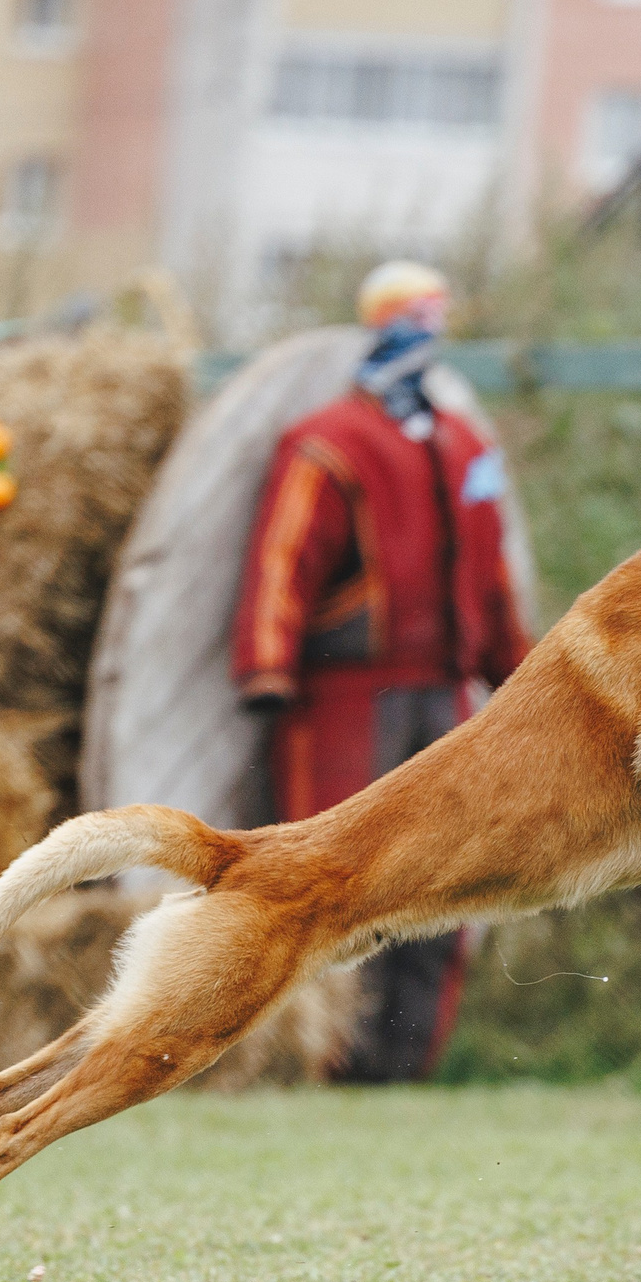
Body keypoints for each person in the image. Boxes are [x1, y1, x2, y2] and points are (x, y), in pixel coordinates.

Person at [232, 261, 532, 1082]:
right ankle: (321, 1056)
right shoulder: (329, 442)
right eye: (413, 316)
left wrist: (519, 672)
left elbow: (492, 568)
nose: (427, 331)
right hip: (346, 695)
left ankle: (404, 1062)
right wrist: (267, 665)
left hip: (445, 693)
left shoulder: (464, 444)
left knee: (446, 878)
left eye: (435, 316)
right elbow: (284, 555)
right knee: (330, 878)